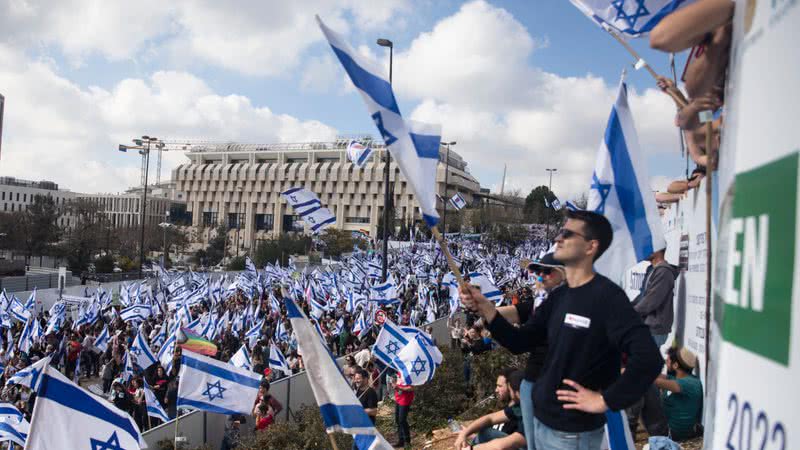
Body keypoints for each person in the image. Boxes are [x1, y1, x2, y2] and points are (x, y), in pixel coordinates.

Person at [461, 209, 664, 449]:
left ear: (590, 247)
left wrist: (605, 400)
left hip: (572, 433)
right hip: (544, 422)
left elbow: (649, 359)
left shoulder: (608, 297)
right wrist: (485, 306)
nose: (558, 239)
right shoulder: (559, 297)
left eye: (568, 234)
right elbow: (519, 342)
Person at [493, 253, 565, 450]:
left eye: (547, 271)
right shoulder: (541, 301)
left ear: (565, 274)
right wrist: (486, 310)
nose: (540, 276)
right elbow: (518, 312)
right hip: (533, 381)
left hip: (554, 385)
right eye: (537, 271)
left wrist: (488, 313)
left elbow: (519, 341)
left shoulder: (566, 303)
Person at [453, 369, 526, 449]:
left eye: (500, 386)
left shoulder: (525, 411)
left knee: (486, 432)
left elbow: (503, 444)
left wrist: (472, 448)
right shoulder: (515, 409)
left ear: (511, 388)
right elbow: (490, 419)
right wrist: (466, 433)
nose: (496, 390)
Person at [632, 249, 679, 347]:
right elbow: (642, 296)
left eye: (647, 247)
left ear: (657, 249)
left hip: (654, 330)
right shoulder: (651, 269)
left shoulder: (664, 272)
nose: (643, 251)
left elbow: (650, 302)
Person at [656, 347, 703, 441]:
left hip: (673, 434)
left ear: (676, 365)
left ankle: (630, 426)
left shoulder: (690, 383)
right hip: (670, 429)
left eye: (668, 360)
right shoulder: (678, 378)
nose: (665, 362)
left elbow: (655, 381)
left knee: (647, 389)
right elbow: (657, 376)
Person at [392, 371, 414, 449]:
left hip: (405, 400)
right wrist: (394, 384)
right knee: (397, 420)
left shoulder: (409, 373)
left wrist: (400, 388)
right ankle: (401, 441)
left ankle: (407, 441)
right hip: (398, 398)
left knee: (402, 420)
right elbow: (397, 383)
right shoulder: (399, 371)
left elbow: (411, 388)